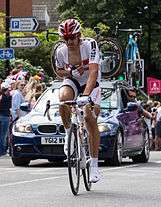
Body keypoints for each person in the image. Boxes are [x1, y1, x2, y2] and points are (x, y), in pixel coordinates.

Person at [55, 19, 101, 183]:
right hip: (73, 81)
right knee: (63, 100)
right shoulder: (60, 51)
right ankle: (69, 135)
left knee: (89, 116)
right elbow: (59, 71)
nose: (69, 42)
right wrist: (68, 71)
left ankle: (94, 165)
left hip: (90, 82)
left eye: (72, 38)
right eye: (65, 39)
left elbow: (94, 72)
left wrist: (85, 95)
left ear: (79, 35)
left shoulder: (90, 45)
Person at [0, 82, 12, 156]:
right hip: (5, 117)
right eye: (8, 90)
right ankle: (2, 151)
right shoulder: (8, 98)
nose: (9, 92)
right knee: (3, 135)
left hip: (3, 116)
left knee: (2, 135)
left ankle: (2, 150)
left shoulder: (1, 97)